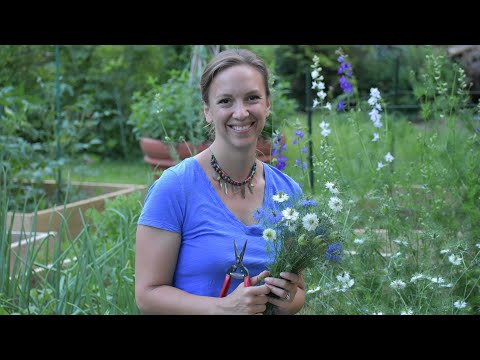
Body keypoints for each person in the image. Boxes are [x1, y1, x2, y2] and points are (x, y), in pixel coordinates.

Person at [135, 48, 305, 315]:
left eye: (252, 98)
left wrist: (287, 299)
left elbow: (299, 293)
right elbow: (147, 295)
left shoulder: (288, 193)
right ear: (208, 111)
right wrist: (223, 308)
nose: (241, 112)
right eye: (225, 101)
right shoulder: (175, 188)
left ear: (268, 105)